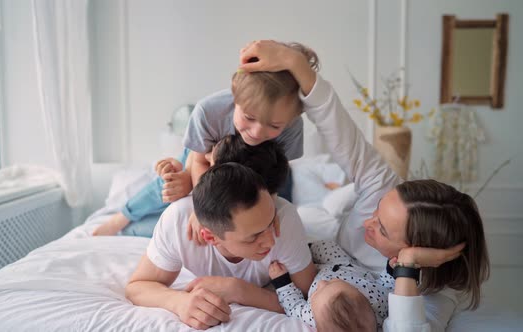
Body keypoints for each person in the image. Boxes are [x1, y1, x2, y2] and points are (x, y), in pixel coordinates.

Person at [235, 40, 489, 331]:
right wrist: (296, 64)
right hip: (315, 232)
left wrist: (407, 266)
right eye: (379, 210)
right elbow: (341, 134)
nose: (367, 222)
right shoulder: (383, 191)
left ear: (409, 250)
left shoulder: (433, 293)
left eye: (382, 229)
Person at [92, 41, 320, 237]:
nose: (258, 132)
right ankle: (122, 218)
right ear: (235, 97)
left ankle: (135, 229)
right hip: (203, 158)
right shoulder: (210, 111)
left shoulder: (292, 125)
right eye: (249, 117)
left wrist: (268, 211)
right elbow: (198, 160)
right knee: (173, 183)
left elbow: (277, 174)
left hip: (250, 171)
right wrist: (200, 210)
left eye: (274, 125)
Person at [125, 135, 316, 330]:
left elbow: (310, 300)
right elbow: (138, 286)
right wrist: (178, 302)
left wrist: (239, 290)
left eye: (270, 222)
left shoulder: (283, 219)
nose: (270, 241)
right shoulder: (178, 220)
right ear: (210, 237)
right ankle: (122, 217)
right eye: (254, 236)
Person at [268, 240, 394, 332]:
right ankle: (308, 247)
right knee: (328, 246)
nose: (322, 283)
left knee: (302, 257)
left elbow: (293, 306)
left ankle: (304, 252)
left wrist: (282, 282)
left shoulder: (311, 317)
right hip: (342, 264)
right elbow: (388, 284)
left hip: (315, 273)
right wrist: (392, 268)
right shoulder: (379, 300)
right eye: (333, 283)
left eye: (316, 293)